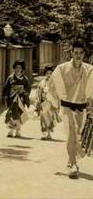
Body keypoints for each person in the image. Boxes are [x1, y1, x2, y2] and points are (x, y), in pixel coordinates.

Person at [47, 41, 93, 179]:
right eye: (76, 52)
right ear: (71, 53)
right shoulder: (62, 68)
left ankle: (71, 157)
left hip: (81, 106)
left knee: (77, 135)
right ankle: (74, 165)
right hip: (67, 105)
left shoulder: (89, 70)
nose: (78, 55)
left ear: (84, 54)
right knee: (72, 133)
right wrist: (53, 103)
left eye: (81, 53)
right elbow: (52, 85)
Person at [3, 60, 31, 138]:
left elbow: (28, 87)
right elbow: (6, 87)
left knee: (19, 113)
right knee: (11, 113)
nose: (18, 69)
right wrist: (6, 95)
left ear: (22, 69)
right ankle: (11, 130)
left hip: (21, 98)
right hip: (12, 98)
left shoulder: (25, 78)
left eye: (20, 68)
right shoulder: (10, 78)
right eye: (16, 67)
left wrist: (24, 91)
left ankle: (18, 130)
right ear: (14, 68)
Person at [36, 65, 61, 140]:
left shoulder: (55, 83)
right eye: (47, 73)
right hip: (44, 102)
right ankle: (44, 133)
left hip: (51, 103)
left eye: (50, 73)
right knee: (43, 118)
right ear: (45, 74)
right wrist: (38, 101)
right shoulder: (41, 83)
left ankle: (49, 133)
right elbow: (38, 93)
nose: (49, 74)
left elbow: (57, 93)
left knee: (50, 119)